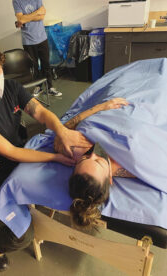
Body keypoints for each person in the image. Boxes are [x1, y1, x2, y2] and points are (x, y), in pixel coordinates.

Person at [0, 38, 89, 272]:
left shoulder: (11, 88)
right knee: (22, 237)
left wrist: (62, 131)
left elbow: (41, 112)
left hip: (20, 152)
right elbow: (11, 152)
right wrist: (56, 157)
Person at [53, 98, 136, 229]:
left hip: (112, 105)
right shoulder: (132, 167)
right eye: (98, 161)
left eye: (84, 159)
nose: (92, 154)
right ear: (109, 178)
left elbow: (61, 133)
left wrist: (101, 106)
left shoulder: (73, 150)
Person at [11, 0, 62, 97]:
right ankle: (38, 87)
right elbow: (20, 19)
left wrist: (25, 18)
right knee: (33, 66)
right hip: (28, 40)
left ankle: (50, 87)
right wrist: (35, 12)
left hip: (41, 38)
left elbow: (41, 16)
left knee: (46, 64)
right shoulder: (16, 1)